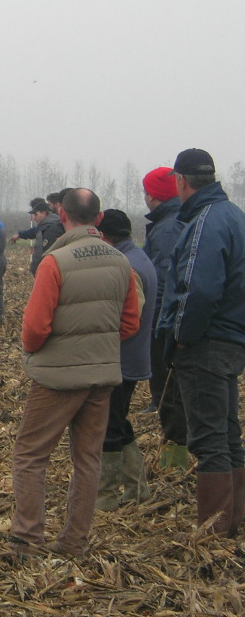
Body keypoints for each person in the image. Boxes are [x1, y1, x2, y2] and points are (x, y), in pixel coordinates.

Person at [10, 188, 141, 558]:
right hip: (102, 377)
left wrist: (36, 352)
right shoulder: (121, 262)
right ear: (98, 218)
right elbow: (130, 324)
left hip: (57, 378)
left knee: (30, 455)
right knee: (88, 460)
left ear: (62, 215)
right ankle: (74, 544)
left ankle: (27, 541)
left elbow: (35, 328)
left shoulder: (55, 262)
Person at [157, 148, 245, 537]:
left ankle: (213, 532)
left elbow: (200, 290)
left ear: (181, 181)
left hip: (206, 343)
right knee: (227, 435)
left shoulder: (206, 222)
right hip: (232, 341)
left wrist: (181, 338)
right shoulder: (234, 216)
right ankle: (233, 521)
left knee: (209, 440)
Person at [94, 209, 157, 510]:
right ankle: (137, 489)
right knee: (117, 421)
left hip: (121, 360)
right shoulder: (136, 257)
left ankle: (105, 497)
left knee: (108, 425)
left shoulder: (128, 266)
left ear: (104, 237)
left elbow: (129, 320)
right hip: (127, 358)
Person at [141, 166, 189, 467]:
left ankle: (176, 460)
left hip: (164, 319)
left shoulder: (169, 228)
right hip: (171, 316)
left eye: (145, 192)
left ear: (152, 195)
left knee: (169, 387)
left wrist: (154, 321)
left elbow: (163, 280)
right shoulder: (172, 220)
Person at [10, 200, 62, 276]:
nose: (34, 218)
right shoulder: (42, 226)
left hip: (48, 271)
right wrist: (20, 235)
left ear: (43, 213)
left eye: (36, 214)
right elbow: (32, 232)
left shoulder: (55, 228)